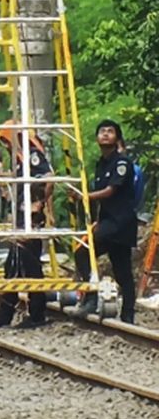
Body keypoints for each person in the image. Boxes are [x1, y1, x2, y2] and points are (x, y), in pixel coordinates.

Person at [71, 120, 137, 324]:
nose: (106, 134)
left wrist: (85, 196)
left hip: (121, 223)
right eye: (102, 131)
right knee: (121, 270)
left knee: (83, 252)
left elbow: (110, 191)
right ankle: (126, 316)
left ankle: (93, 296)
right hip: (108, 222)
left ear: (117, 138)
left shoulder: (122, 163)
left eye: (110, 131)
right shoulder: (101, 163)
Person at [0, 132, 52, 328]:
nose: (6, 146)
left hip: (30, 219)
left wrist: (40, 203)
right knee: (14, 265)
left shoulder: (33, 155)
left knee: (28, 264)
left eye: (7, 141)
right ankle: (9, 311)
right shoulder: (19, 160)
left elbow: (49, 178)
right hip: (20, 218)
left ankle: (34, 312)